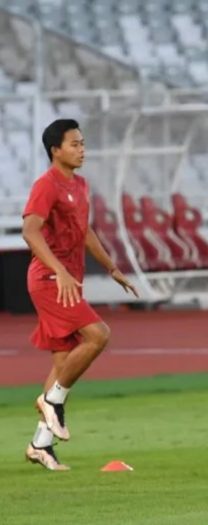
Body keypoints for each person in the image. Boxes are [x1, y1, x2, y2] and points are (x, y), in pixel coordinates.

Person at [22, 119, 138, 471]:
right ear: (55, 150)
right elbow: (30, 230)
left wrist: (112, 268)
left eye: (83, 143)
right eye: (74, 144)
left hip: (68, 280)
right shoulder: (46, 185)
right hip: (49, 280)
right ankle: (52, 401)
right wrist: (58, 270)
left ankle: (41, 445)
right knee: (98, 334)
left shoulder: (80, 185)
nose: (81, 149)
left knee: (62, 363)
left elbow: (84, 232)